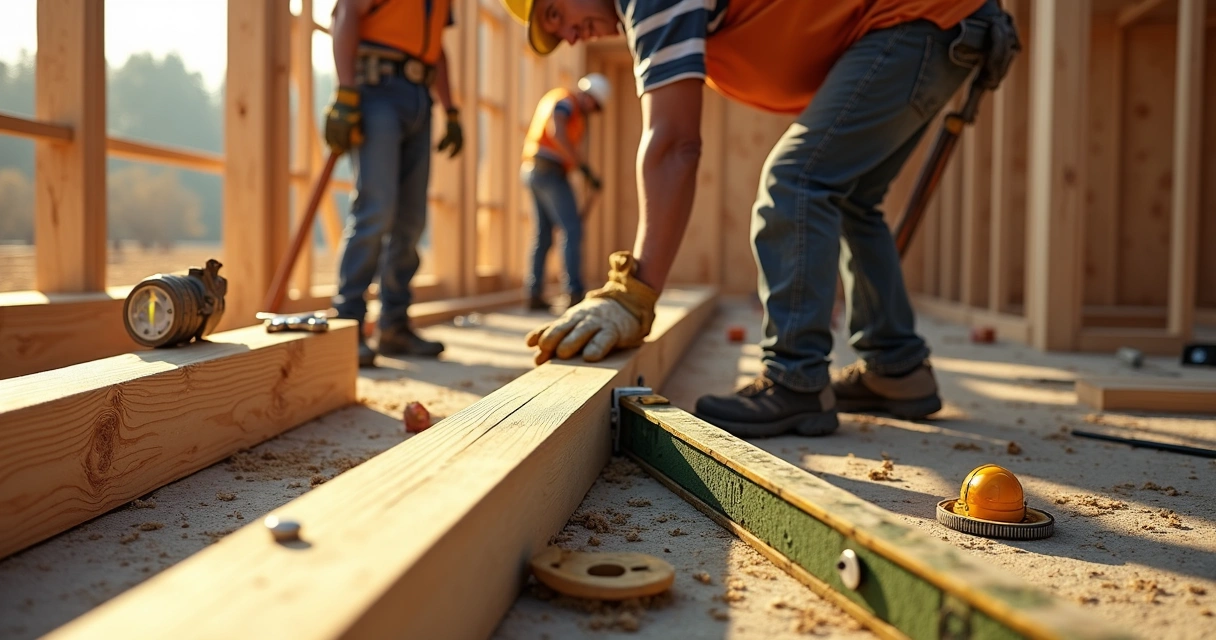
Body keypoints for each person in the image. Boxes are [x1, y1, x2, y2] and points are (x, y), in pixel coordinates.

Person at [501, 0, 1019, 437]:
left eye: (555, 14)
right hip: (936, 23)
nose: (568, 37)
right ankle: (896, 368)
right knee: (852, 197)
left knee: (795, 181)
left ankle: (795, 380)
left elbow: (675, 144)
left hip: (915, 20)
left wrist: (635, 290)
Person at [324, 0, 465, 367]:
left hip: (420, 96)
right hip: (377, 87)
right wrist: (346, 92)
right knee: (376, 208)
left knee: (411, 219)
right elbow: (346, 15)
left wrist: (450, 109)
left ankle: (393, 326)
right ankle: (348, 322)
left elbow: (437, 51)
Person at [520, 74, 610, 312]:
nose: (593, 110)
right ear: (588, 95)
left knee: (544, 236)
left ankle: (533, 293)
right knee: (572, 229)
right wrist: (583, 168)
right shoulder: (566, 101)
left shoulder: (568, 106)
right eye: (594, 104)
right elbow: (557, 132)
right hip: (549, 171)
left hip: (533, 170)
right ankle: (574, 291)